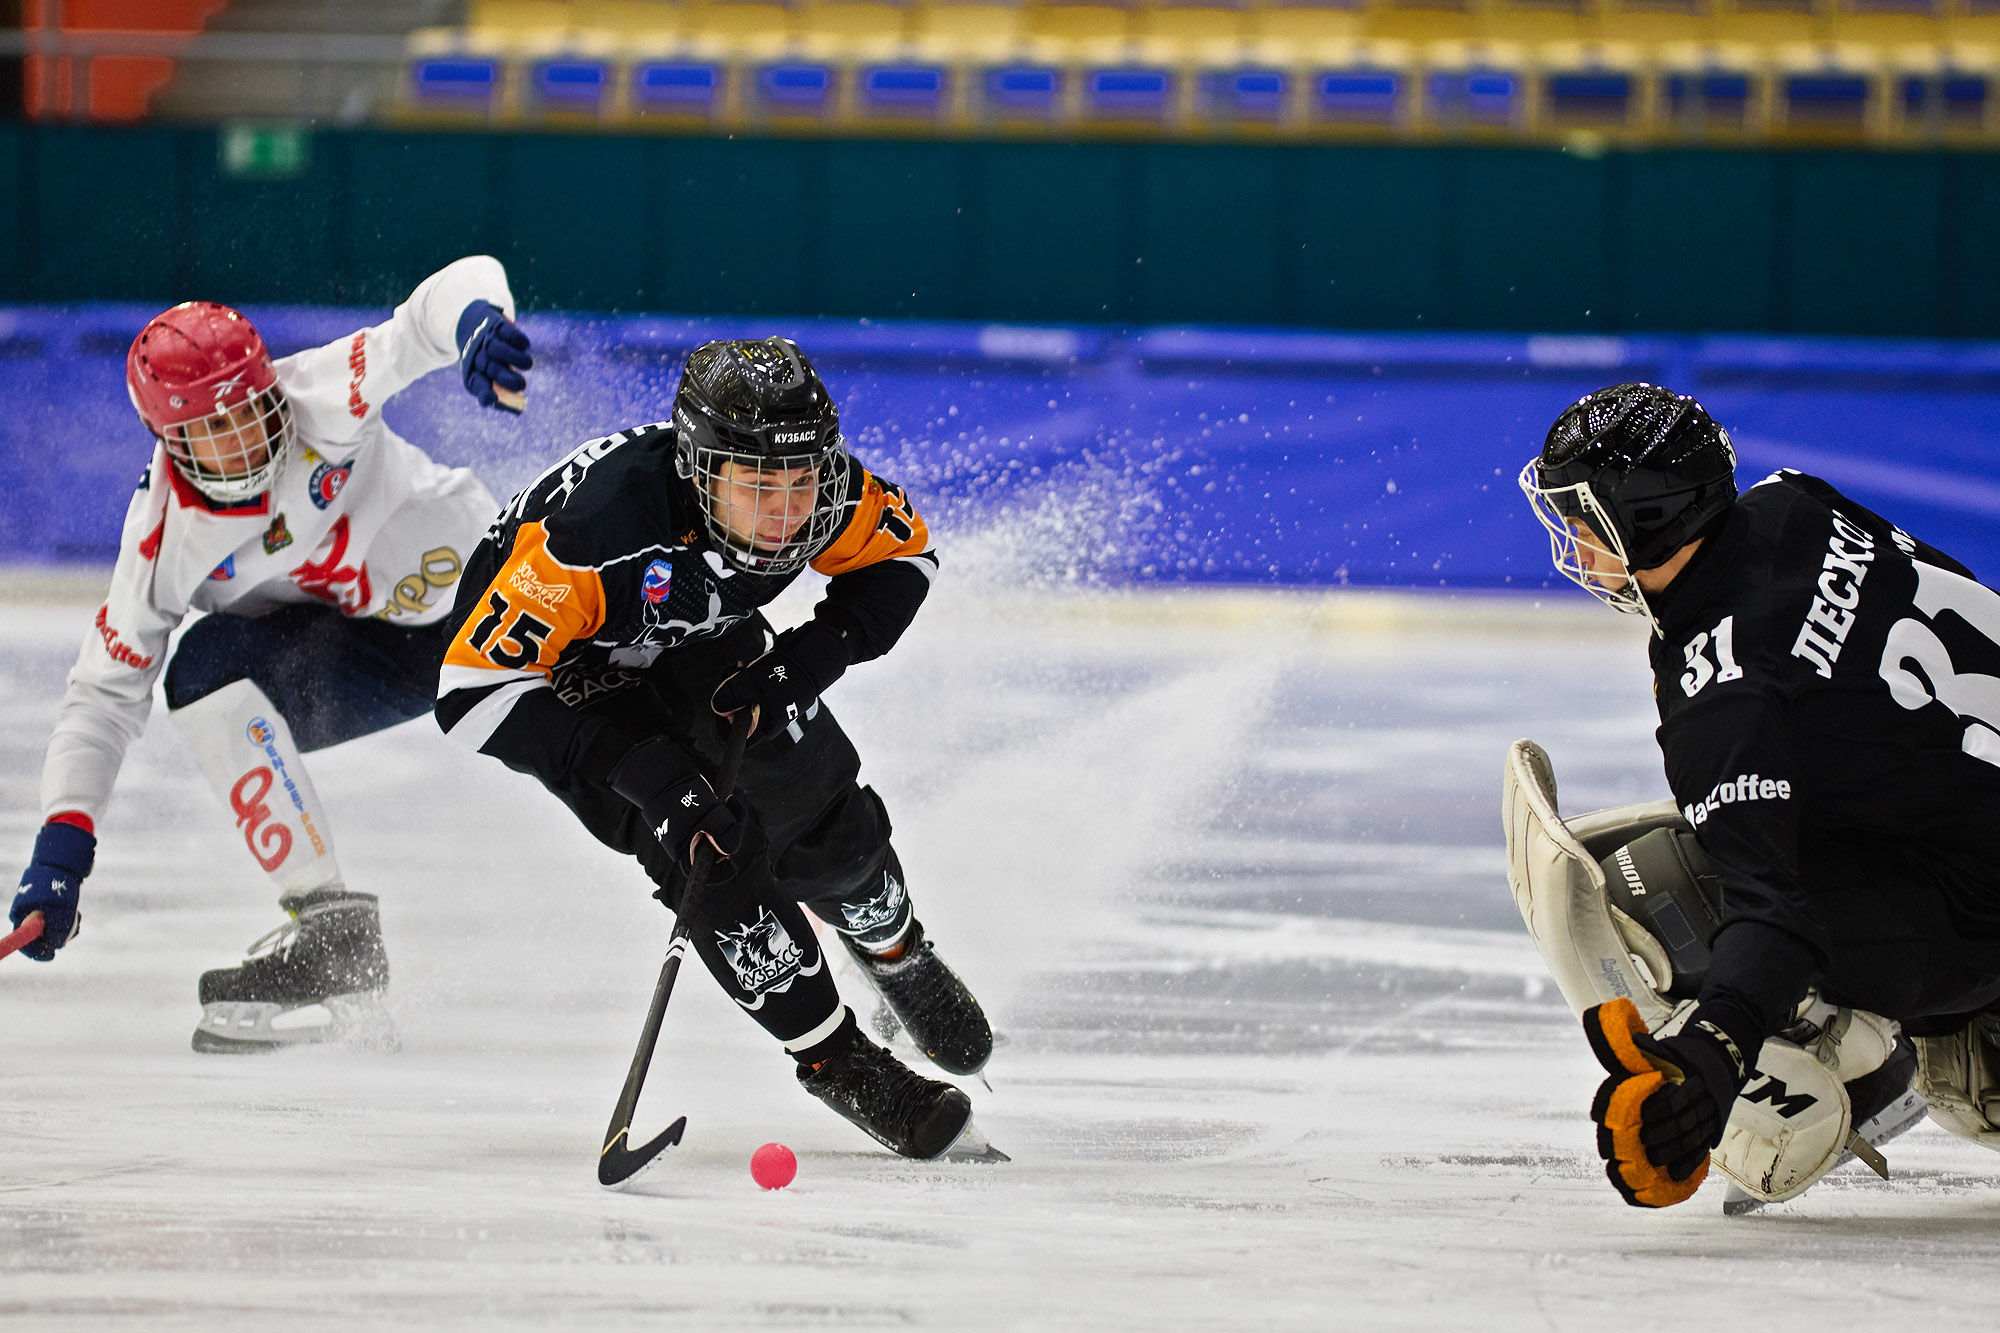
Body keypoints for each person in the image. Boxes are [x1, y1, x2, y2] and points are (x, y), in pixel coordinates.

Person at [434, 336, 993, 1160]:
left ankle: (894, 945)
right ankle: (837, 1058)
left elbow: (906, 556)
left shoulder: (826, 491)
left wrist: (803, 662)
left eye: (799, 481)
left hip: (699, 637)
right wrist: (646, 772)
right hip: (570, 677)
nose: (784, 513)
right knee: (705, 849)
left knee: (825, 819)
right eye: (758, 485)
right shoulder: (590, 537)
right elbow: (468, 692)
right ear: (698, 470)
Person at [8, 256, 536, 1053]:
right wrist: (63, 846)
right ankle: (333, 939)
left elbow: (438, 301)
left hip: (502, 600)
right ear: (168, 441)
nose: (246, 436)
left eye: (251, 407)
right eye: (211, 429)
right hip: (360, 659)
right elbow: (104, 696)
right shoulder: (160, 541)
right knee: (201, 671)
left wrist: (475, 324)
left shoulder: (318, 392)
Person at [1510, 381, 2000, 1209]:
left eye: (1589, 522)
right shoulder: (1793, 503)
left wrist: (1702, 1072)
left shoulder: (1724, 685)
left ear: (1652, 518)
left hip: (1977, 904)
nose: (1578, 548)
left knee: (1664, 893)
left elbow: (1772, 914)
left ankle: (1862, 1073)